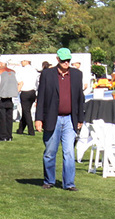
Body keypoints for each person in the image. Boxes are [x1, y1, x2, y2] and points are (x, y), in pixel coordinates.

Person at [34, 48, 84, 190]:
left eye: (68, 60)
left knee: (68, 152)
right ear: (57, 59)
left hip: (70, 119)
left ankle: (69, 183)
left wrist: (80, 118)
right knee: (50, 152)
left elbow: (80, 97)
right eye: (63, 60)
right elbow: (41, 96)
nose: (66, 63)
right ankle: (49, 180)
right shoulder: (47, 74)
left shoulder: (77, 75)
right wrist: (38, 119)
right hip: (52, 118)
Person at [0, 60, 18, 141]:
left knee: (1, 118)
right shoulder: (13, 72)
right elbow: (20, 83)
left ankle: (3, 136)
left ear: (1, 64)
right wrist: (15, 91)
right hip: (10, 98)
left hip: (1, 98)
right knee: (8, 118)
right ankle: (9, 135)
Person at [17, 60, 37, 135]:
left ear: (25, 61)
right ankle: (20, 129)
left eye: (22, 61)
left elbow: (19, 82)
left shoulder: (21, 70)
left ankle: (31, 130)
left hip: (25, 92)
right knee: (26, 111)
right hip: (33, 92)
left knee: (26, 111)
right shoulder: (34, 70)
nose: (21, 63)